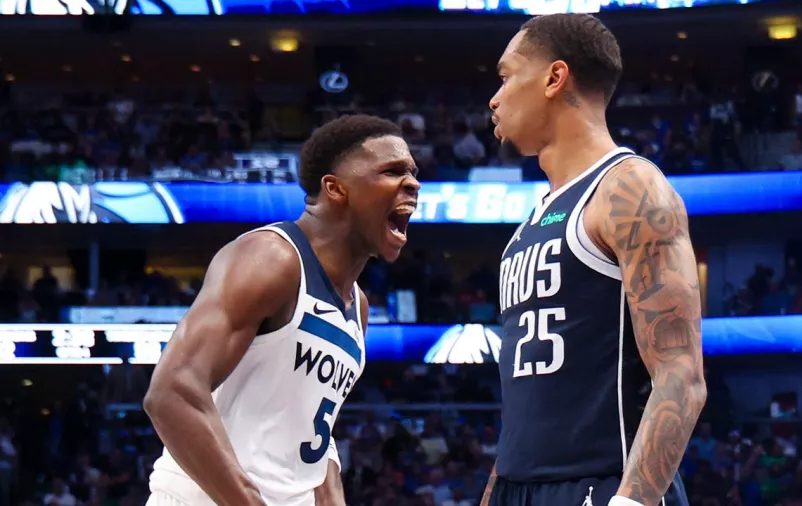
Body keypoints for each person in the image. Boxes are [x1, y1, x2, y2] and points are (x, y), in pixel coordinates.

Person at [483, 13, 706, 506]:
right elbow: (526, 409)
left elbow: (681, 376)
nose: (494, 98)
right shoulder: (533, 221)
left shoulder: (629, 188)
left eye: (505, 76)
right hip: (521, 486)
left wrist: (631, 501)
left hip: (604, 483)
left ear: (554, 78)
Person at [143, 114, 420, 506]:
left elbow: (315, 440)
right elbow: (172, 392)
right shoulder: (272, 258)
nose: (412, 183)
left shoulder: (357, 306)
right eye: (392, 171)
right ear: (335, 188)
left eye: (412, 172)